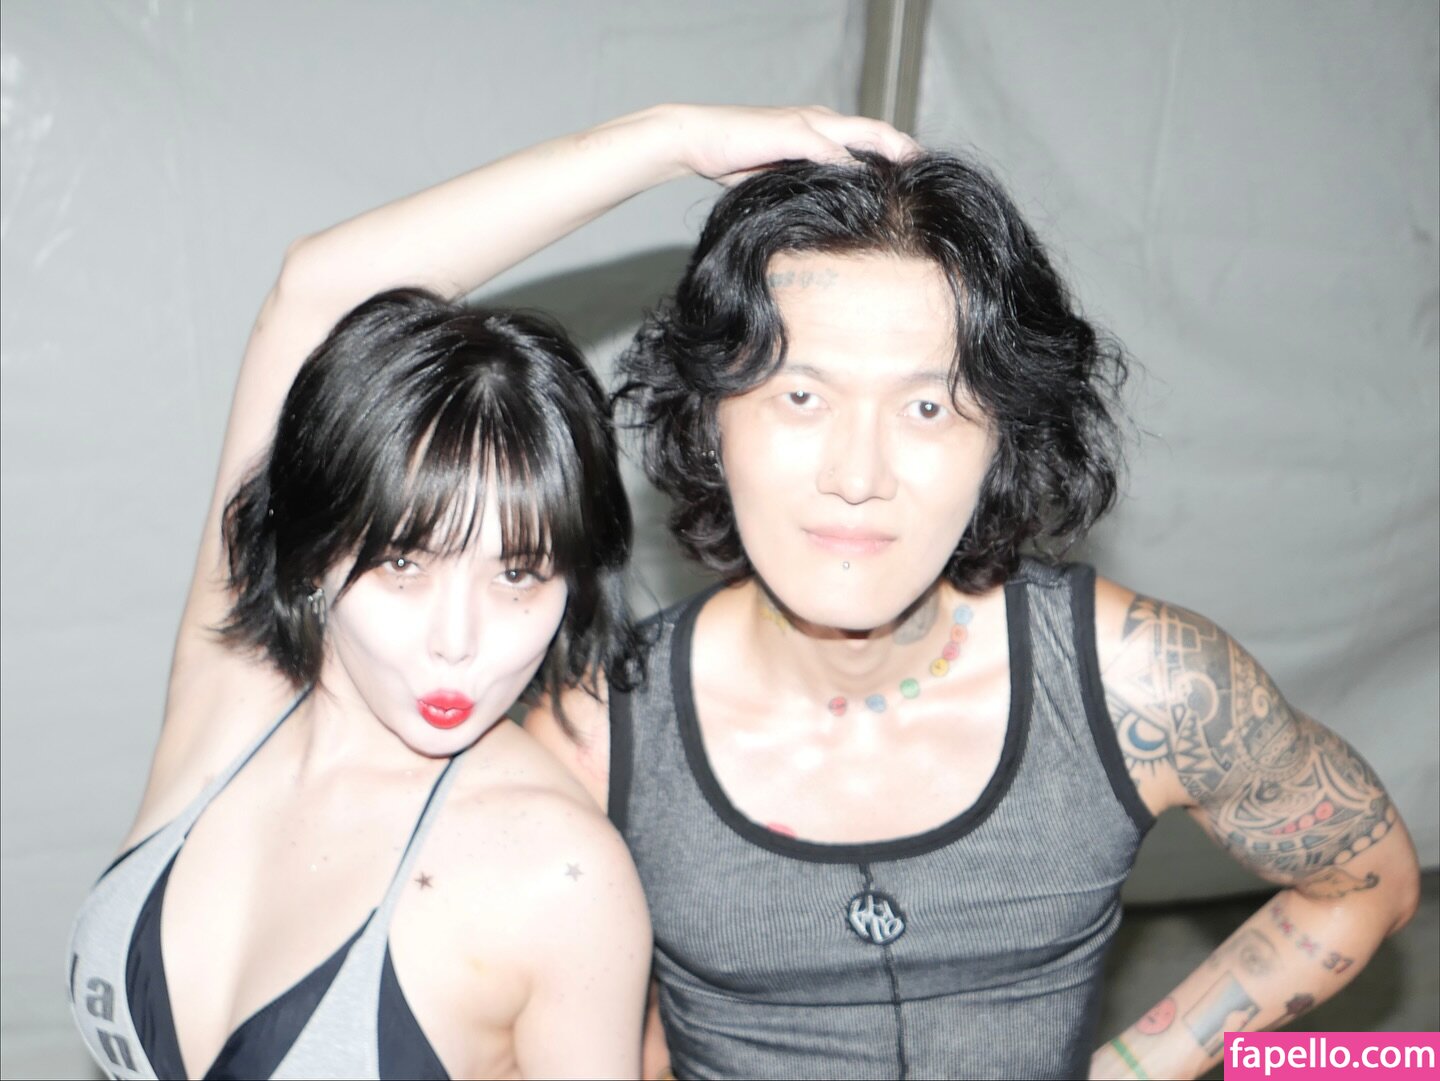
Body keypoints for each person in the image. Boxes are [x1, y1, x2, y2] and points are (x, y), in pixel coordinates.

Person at [525, 149, 1423, 1078]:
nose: (857, 476)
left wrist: (1129, 1070)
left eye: (926, 406)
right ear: (713, 416)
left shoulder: (1141, 680)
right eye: (802, 395)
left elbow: (1366, 881)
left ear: (1004, 439)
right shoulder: (596, 737)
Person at [65, 104, 916, 1080]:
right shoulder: (235, 688)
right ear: (312, 551)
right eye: (405, 564)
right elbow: (313, 288)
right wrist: (671, 140)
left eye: (518, 573)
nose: (459, 641)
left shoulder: (556, 874)